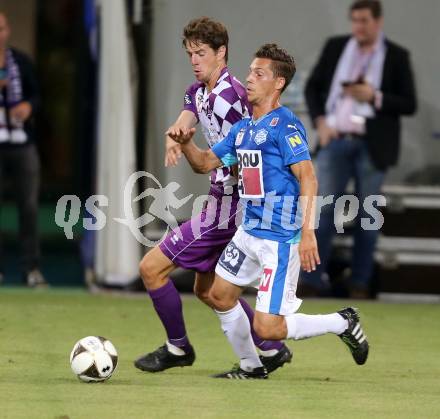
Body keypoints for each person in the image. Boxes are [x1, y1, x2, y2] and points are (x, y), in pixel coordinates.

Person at [169, 43, 369, 379]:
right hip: (248, 233)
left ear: (277, 84)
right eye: (249, 71)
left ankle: (342, 322)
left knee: (269, 328)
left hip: (279, 239)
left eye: (258, 74)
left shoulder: (285, 125)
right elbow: (204, 163)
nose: (248, 78)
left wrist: (308, 233)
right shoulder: (243, 129)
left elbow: (308, 177)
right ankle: (251, 366)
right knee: (218, 294)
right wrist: (187, 143)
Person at [134, 18, 292, 374]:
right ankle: (270, 346)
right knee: (210, 292)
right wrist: (172, 138)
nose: (194, 60)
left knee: (151, 269)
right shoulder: (200, 90)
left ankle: (178, 348)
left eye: (201, 53)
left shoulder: (232, 95)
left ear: (221, 53)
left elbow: (255, 138)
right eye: (190, 53)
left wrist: (249, 180)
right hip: (220, 199)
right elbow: (184, 119)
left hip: (230, 206)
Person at [303, 0, 417, 298]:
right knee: (324, 211)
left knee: (368, 216)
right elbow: (312, 87)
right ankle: (312, 281)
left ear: (378, 22)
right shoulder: (336, 47)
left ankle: (360, 283)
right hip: (335, 140)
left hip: (371, 145)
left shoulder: (396, 56)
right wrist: (320, 123)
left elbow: (409, 103)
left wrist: (375, 96)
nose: (358, 27)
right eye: (354, 20)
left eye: (364, 21)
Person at [0, 12, 47, 287]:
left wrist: (28, 107)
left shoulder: (20, 61)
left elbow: (36, 96)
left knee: (28, 207)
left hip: (22, 143)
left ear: (7, 31)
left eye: (2, 28)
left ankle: (31, 268)